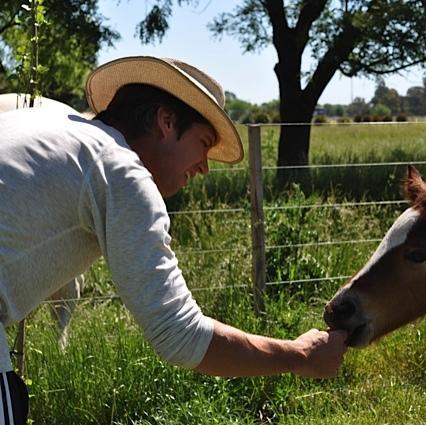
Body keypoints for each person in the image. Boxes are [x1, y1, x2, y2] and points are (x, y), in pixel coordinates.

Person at [0, 56, 348, 424]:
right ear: (166, 122)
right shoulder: (120, 170)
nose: (204, 167)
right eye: (203, 143)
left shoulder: (38, 120)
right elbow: (179, 334)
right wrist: (299, 355)